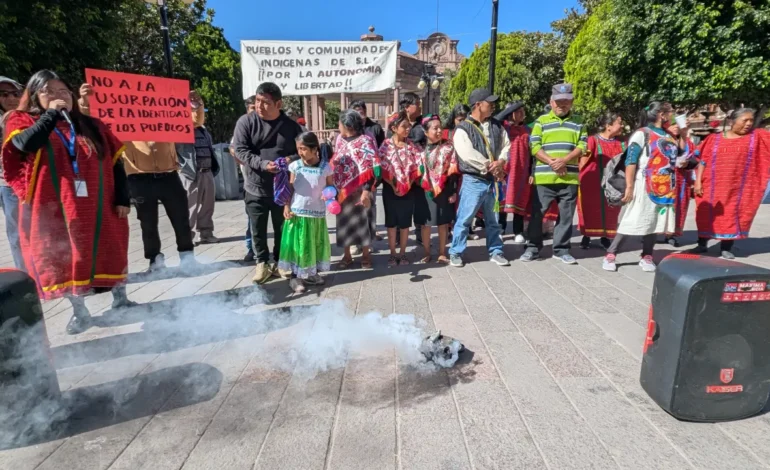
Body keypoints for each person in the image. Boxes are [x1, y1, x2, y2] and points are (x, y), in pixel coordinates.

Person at [1, 70, 136, 334]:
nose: (59, 96)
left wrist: (122, 197)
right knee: (65, 256)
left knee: (111, 246)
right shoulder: (20, 120)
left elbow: (116, 162)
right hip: (54, 207)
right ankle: (80, 312)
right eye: (49, 92)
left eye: (63, 91)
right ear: (34, 96)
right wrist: (51, 114)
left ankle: (121, 299)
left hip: (98, 202)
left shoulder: (91, 124)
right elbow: (26, 144)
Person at [80, 84, 197, 272]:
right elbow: (93, 121)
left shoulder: (167, 121)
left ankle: (187, 258)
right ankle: (155, 261)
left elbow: (193, 123)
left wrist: (196, 105)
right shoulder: (122, 123)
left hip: (169, 176)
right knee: (148, 222)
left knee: (181, 218)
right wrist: (85, 102)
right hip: (139, 178)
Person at [233, 82, 303, 284]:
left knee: (282, 227)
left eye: (265, 102)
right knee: (257, 227)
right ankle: (262, 263)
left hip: (282, 189)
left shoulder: (291, 127)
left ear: (278, 103)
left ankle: (281, 261)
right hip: (255, 186)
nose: (259, 106)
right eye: (256, 101)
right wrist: (263, 164)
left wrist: (288, 160)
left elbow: (302, 152)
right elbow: (241, 150)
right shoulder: (245, 122)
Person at [602, 102, 683, 273]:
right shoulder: (642, 134)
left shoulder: (668, 135)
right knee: (631, 219)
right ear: (662, 114)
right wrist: (629, 187)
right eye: (670, 112)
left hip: (665, 186)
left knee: (654, 222)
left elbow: (679, 155)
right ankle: (611, 254)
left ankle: (647, 255)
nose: (673, 115)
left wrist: (683, 132)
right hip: (644, 184)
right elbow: (631, 161)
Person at [521, 83, 587, 264]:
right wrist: (552, 162)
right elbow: (534, 147)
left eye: (566, 101)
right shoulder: (541, 122)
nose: (562, 105)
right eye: (558, 101)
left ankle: (561, 249)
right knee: (537, 214)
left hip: (569, 177)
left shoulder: (579, 122)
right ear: (551, 102)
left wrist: (564, 161)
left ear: (572, 102)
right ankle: (533, 248)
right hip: (544, 177)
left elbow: (583, 145)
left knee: (566, 216)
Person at [694, 108, 770, 259]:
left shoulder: (757, 137)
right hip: (711, 187)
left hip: (739, 189)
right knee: (705, 214)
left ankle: (726, 247)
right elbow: (703, 161)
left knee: (733, 215)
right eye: (745, 120)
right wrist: (698, 182)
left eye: (751, 120)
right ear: (731, 121)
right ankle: (702, 244)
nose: (749, 124)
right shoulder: (713, 139)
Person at [449, 88, 510, 267]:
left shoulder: (497, 126)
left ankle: (496, 250)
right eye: (489, 103)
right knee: (465, 219)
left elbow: (507, 145)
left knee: (494, 220)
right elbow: (467, 154)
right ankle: (456, 252)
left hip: (493, 180)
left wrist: (501, 161)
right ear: (478, 105)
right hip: (473, 180)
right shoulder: (463, 129)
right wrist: (490, 166)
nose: (493, 106)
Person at [278, 132, 332, 293]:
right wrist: (286, 206)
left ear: (314, 149)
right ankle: (295, 276)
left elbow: (331, 187)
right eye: (298, 149)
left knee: (314, 243)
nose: (300, 152)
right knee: (299, 245)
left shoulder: (325, 168)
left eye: (303, 149)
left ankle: (311, 273)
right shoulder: (295, 166)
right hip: (298, 213)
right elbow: (289, 188)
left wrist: (329, 194)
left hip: (316, 214)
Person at [333, 109, 378, 269]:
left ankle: (366, 256)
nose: (338, 126)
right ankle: (347, 256)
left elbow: (371, 166)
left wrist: (366, 190)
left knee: (364, 221)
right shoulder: (339, 140)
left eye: (340, 123)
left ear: (347, 124)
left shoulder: (365, 141)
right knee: (344, 223)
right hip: (343, 192)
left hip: (361, 191)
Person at [380, 111, 424, 266]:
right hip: (390, 189)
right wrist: (393, 185)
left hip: (409, 189)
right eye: (404, 126)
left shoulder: (412, 146)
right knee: (391, 223)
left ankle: (403, 253)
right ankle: (392, 254)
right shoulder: (385, 146)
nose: (408, 129)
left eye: (408, 126)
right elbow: (381, 167)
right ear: (394, 128)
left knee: (405, 223)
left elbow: (419, 167)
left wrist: (409, 183)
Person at [177, 90, 220, 246]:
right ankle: (187, 237)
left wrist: (199, 103)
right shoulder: (181, 131)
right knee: (190, 207)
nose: (198, 115)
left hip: (207, 173)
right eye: (194, 111)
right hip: (190, 174)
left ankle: (206, 234)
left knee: (208, 206)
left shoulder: (203, 130)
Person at [577, 111, 625, 250]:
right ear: (608, 126)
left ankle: (605, 237)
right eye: (619, 123)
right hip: (591, 184)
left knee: (611, 210)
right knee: (590, 210)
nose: (621, 126)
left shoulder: (621, 144)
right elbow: (583, 163)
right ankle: (586, 236)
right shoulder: (593, 140)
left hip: (612, 185)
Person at [419, 114, 459, 264]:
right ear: (426, 131)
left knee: (443, 222)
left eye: (440, 127)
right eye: (435, 128)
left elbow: (453, 171)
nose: (439, 130)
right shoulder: (419, 149)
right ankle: (427, 253)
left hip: (445, 189)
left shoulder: (448, 147)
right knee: (426, 224)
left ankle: (442, 253)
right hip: (425, 190)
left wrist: (453, 191)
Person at [0, 76, 25, 270]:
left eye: (15, 93)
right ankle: (25, 276)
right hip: (7, 186)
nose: (11, 98)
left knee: (34, 232)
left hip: (28, 184)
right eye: (4, 94)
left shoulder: (30, 117)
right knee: (16, 235)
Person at [230, 94, 257, 261]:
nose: (256, 111)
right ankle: (251, 248)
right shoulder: (243, 128)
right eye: (253, 108)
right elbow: (234, 149)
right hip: (250, 182)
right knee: (252, 218)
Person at [663, 115, 697, 247]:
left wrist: (687, 162)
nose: (676, 128)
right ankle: (653, 233)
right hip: (663, 179)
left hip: (682, 180)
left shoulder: (688, 142)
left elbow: (696, 158)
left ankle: (672, 234)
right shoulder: (663, 140)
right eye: (673, 125)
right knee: (661, 206)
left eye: (678, 125)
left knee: (679, 207)